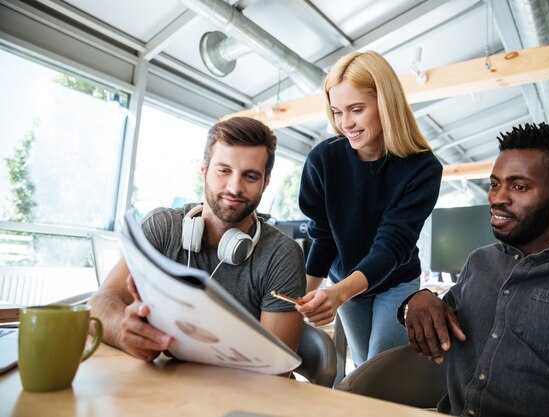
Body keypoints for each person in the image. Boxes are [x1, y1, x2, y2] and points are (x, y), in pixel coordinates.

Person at [400, 122, 549, 417]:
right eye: (495, 184)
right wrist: (414, 302)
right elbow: (434, 312)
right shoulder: (480, 262)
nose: (497, 199)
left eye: (519, 187)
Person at [89, 117, 306, 363]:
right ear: (204, 170)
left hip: (235, 391)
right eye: (224, 170)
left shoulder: (281, 254)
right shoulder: (163, 227)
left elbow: (277, 369)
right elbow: (100, 302)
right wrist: (123, 331)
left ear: (266, 182)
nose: (235, 187)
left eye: (251, 176)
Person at [296, 50, 442, 366]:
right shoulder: (323, 160)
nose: (345, 123)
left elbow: (391, 246)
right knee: (362, 368)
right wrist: (300, 301)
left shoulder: (423, 168)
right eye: (336, 112)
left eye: (357, 109)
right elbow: (323, 237)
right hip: (345, 280)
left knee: (380, 371)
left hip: (396, 281)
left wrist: (337, 294)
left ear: (385, 104)